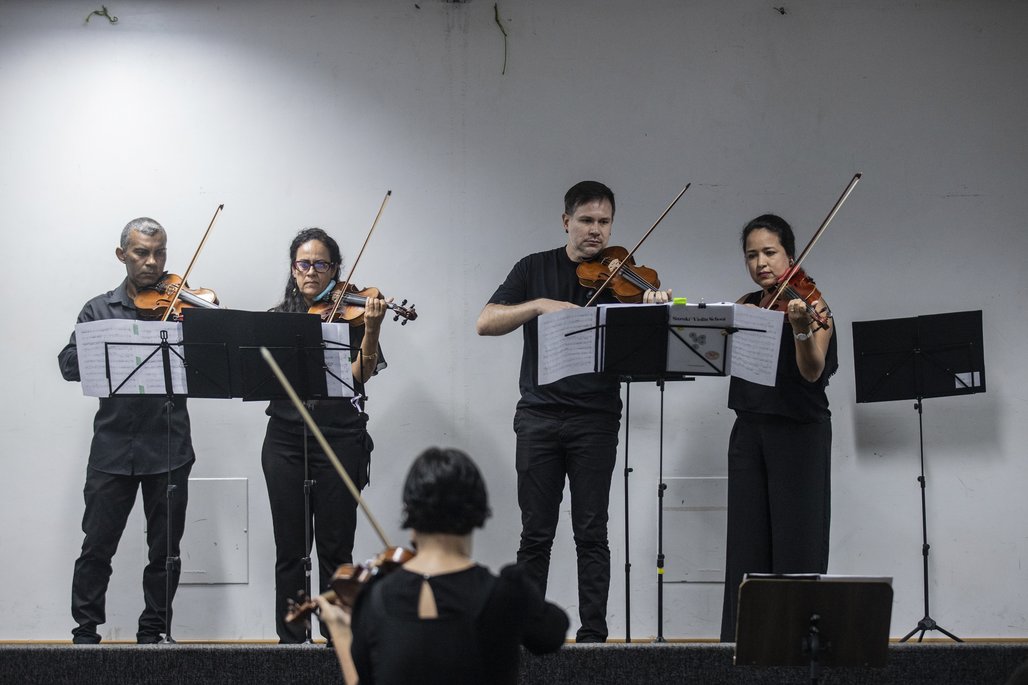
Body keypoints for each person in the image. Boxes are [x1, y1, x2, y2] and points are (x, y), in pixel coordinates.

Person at [475, 181, 669, 642]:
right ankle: (527, 634)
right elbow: (485, 322)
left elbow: (650, 346)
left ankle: (593, 636)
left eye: (604, 222)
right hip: (539, 416)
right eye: (586, 221)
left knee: (592, 532)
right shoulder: (534, 267)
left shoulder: (624, 282)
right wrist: (539, 304)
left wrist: (653, 306)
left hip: (596, 419)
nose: (596, 232)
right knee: (536, 534)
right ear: (566, 221)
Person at [316, 447, 569, 685]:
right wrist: (520, 585)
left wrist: (340, 632)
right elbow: (552, 634)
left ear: (409, 514)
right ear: (477, 511)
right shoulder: (503, 595)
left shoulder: (374, 599)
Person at [59, 217, 195, 644]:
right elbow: (67, 365)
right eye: (142, 253)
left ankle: (153, 632)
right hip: (113, 449)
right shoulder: (97, 310)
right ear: (122, 255)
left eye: (160, 253)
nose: (152, 262)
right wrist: (105, 342)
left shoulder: (182, 310)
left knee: (166, 551)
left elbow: (214, 363)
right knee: (97, 546)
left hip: (169, 446)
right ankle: (85, 633)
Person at [262, 227, 388, 643]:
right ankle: (291, 641)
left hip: (339, 437)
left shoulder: (352, 316)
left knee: (336, 549)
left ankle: (338, 644)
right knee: (291, 551)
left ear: (335, 269)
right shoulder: (278, 320)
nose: (311, 272)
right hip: (285, 439)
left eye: (321, 264)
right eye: (303, 263)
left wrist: (371, 329)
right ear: (292, 269)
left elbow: (359, 376)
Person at [719, 214, 838, 642]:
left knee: (798, 545)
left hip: (799, 433)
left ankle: (797, 649)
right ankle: (744, 647)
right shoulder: (749, 302)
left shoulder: (814, 305)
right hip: (749, 432)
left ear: (790, 253)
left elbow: (812, 373)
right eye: (752, 255)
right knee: (746, 548)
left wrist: (801, 330)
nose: (761, 263)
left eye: (769, 252)